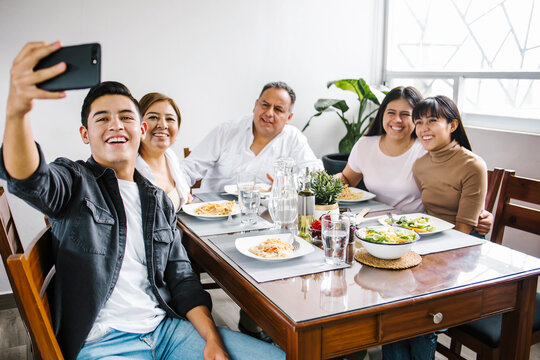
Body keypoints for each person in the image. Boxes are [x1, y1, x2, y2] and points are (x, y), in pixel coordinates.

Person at [0, 41, 285, 360]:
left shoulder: (157, 201)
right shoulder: (75, 180)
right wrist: (17, 111)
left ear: (140, 129)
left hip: (167, 332)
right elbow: (30, 179)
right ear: (85, 134)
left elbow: (182, 279)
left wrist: (212, 340)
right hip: (103, 344)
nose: (116, 125)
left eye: (125, 117)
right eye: (102, 119)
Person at [338, 86, 492, 235]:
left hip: (426, 232)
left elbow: (454, 193)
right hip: (384, 224)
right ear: (382, 114)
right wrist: (322, 188)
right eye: (391, 112)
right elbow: (346, 178)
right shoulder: (420, 162)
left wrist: (480, 214)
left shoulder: (428, 149)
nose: (397, 119)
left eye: (406, 114)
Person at [179, 81, 322, 192]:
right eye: (265, 105)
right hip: (215, 212)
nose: (269, 113)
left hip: (266, 217)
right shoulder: (227, 130)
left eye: (278, 109)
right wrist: (179, 194)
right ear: (255, 105)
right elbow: (188, 168)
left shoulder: (293, 137)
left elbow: (316, 173)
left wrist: (289, 183)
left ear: (288, 117)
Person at [412, 95, 487, 235]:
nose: (424, 129)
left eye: (432, 121)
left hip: (462, 241)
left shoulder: (473, 166)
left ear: (452, 125)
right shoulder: (419, 165)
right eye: (419, 122)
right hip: (429, 236)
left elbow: (464, 229)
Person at [136, 92, 191, 212]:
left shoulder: (170, 156)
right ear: (138, 125)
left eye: (170, 119)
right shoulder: (128, 167)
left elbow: (185, 195)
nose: (163, 125)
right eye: (153, 117)